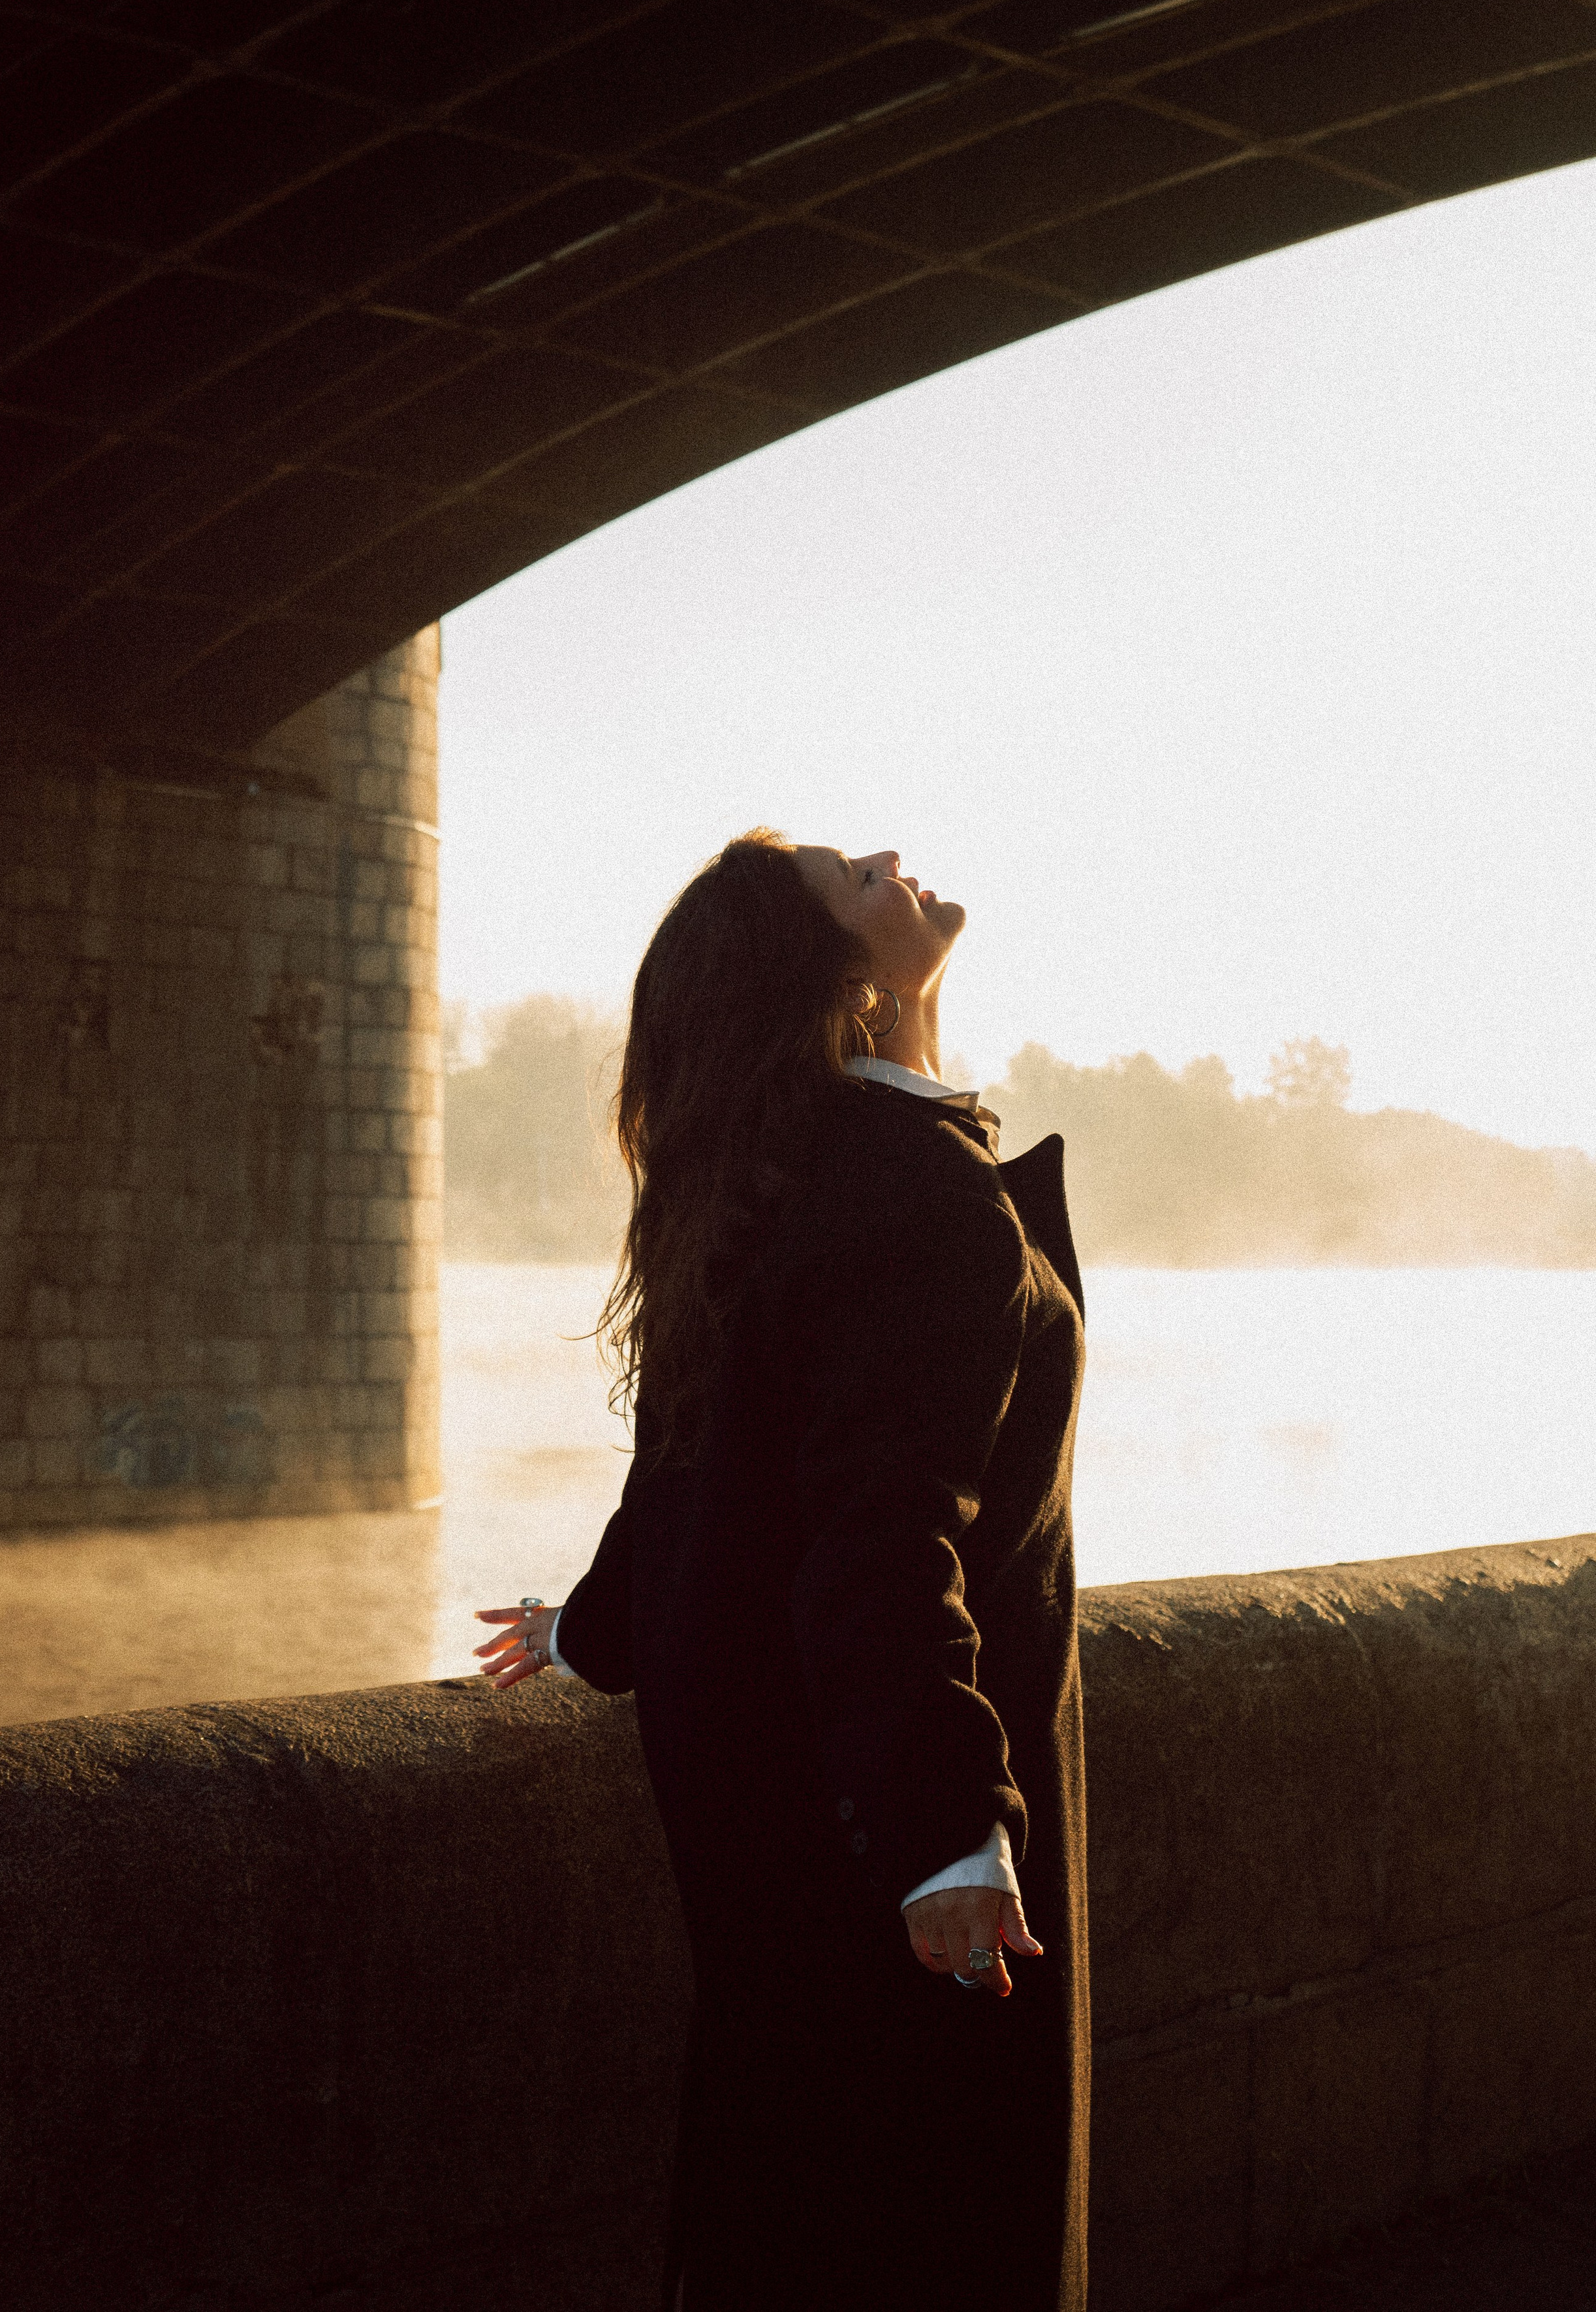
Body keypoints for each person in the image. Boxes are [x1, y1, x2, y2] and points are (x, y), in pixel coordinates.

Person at [476, 832, 1087, 2311]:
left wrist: (595, 1628)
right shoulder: (913, 1193)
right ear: (840, 990)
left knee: (795, 2208)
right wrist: (947, 1830)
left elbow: (700, 1465)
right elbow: (884, 1531)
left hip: (780, 1828)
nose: (886, 858)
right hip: (882, 1832)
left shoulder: (786, 1185)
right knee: (925, 2230)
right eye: (846, 881)